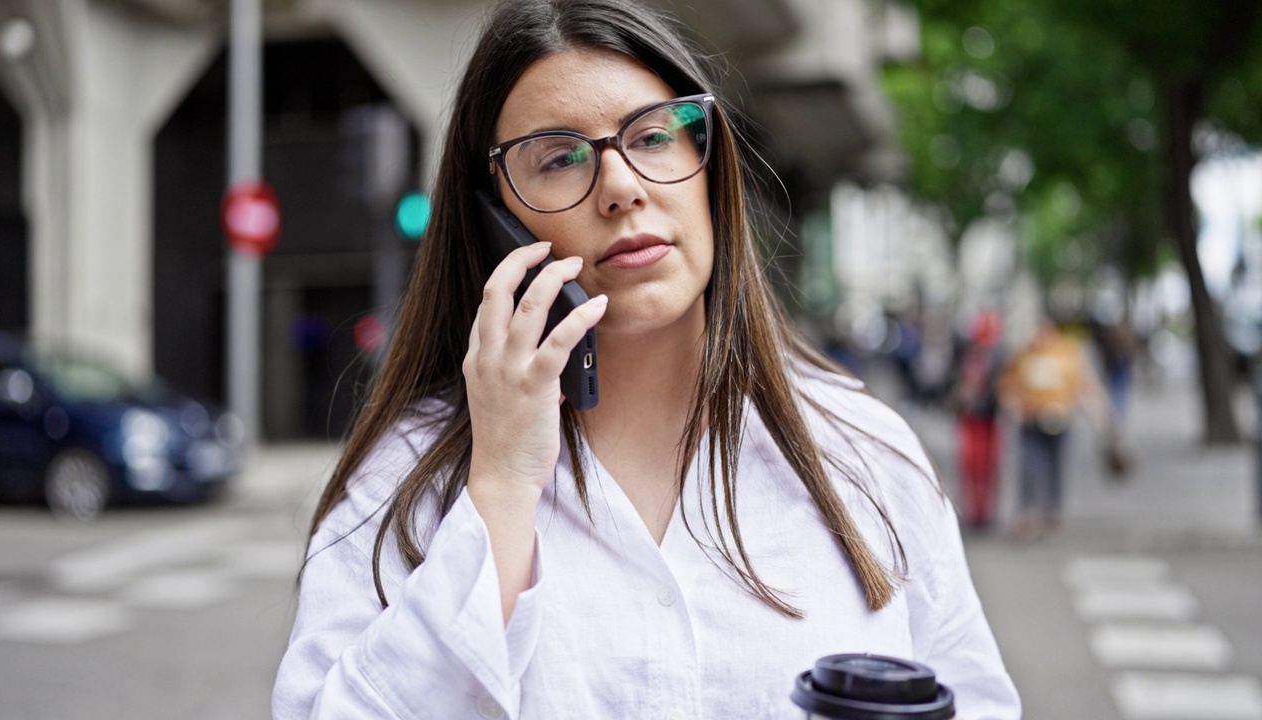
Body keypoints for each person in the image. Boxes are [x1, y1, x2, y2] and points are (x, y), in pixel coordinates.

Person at [272, 1, 1021, 718]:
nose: (622, 188)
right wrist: (499, 488)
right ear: (494, 218)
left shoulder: (862, 453)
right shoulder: (405, 481)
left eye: (654, 136)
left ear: (707, 160)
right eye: (559, 159)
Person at [997, 318, 1112, 542]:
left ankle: (1052, 512)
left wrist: (1101, 418)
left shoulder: (1067, 353)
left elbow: (1083, 385)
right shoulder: (1025, 354)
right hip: (1031, 420)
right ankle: (1028, 512)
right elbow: (1008, 383)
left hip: (1060, 420)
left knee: (1056, 467)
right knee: (1030, 467)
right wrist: (1013, 406)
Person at [950, 311, 1004, 530]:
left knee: (988, 466)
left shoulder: (998, 358)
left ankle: (985, 511)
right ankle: (972, 509)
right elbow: (951, 380)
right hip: (968, 418)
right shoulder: (964, 356)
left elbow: (1000, 387)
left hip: (988, 418)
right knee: (969, 464)